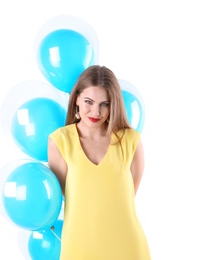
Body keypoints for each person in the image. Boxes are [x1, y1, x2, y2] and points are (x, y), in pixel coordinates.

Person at [48, 65, 151, 259]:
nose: (96, 111)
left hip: (127, 246)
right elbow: (66, 195)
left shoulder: (131, 141)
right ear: (76, 98)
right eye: (89, 101)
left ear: (114, 104)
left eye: (104, 103)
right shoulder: (59, 141)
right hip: (79, 247)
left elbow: (126, 198)